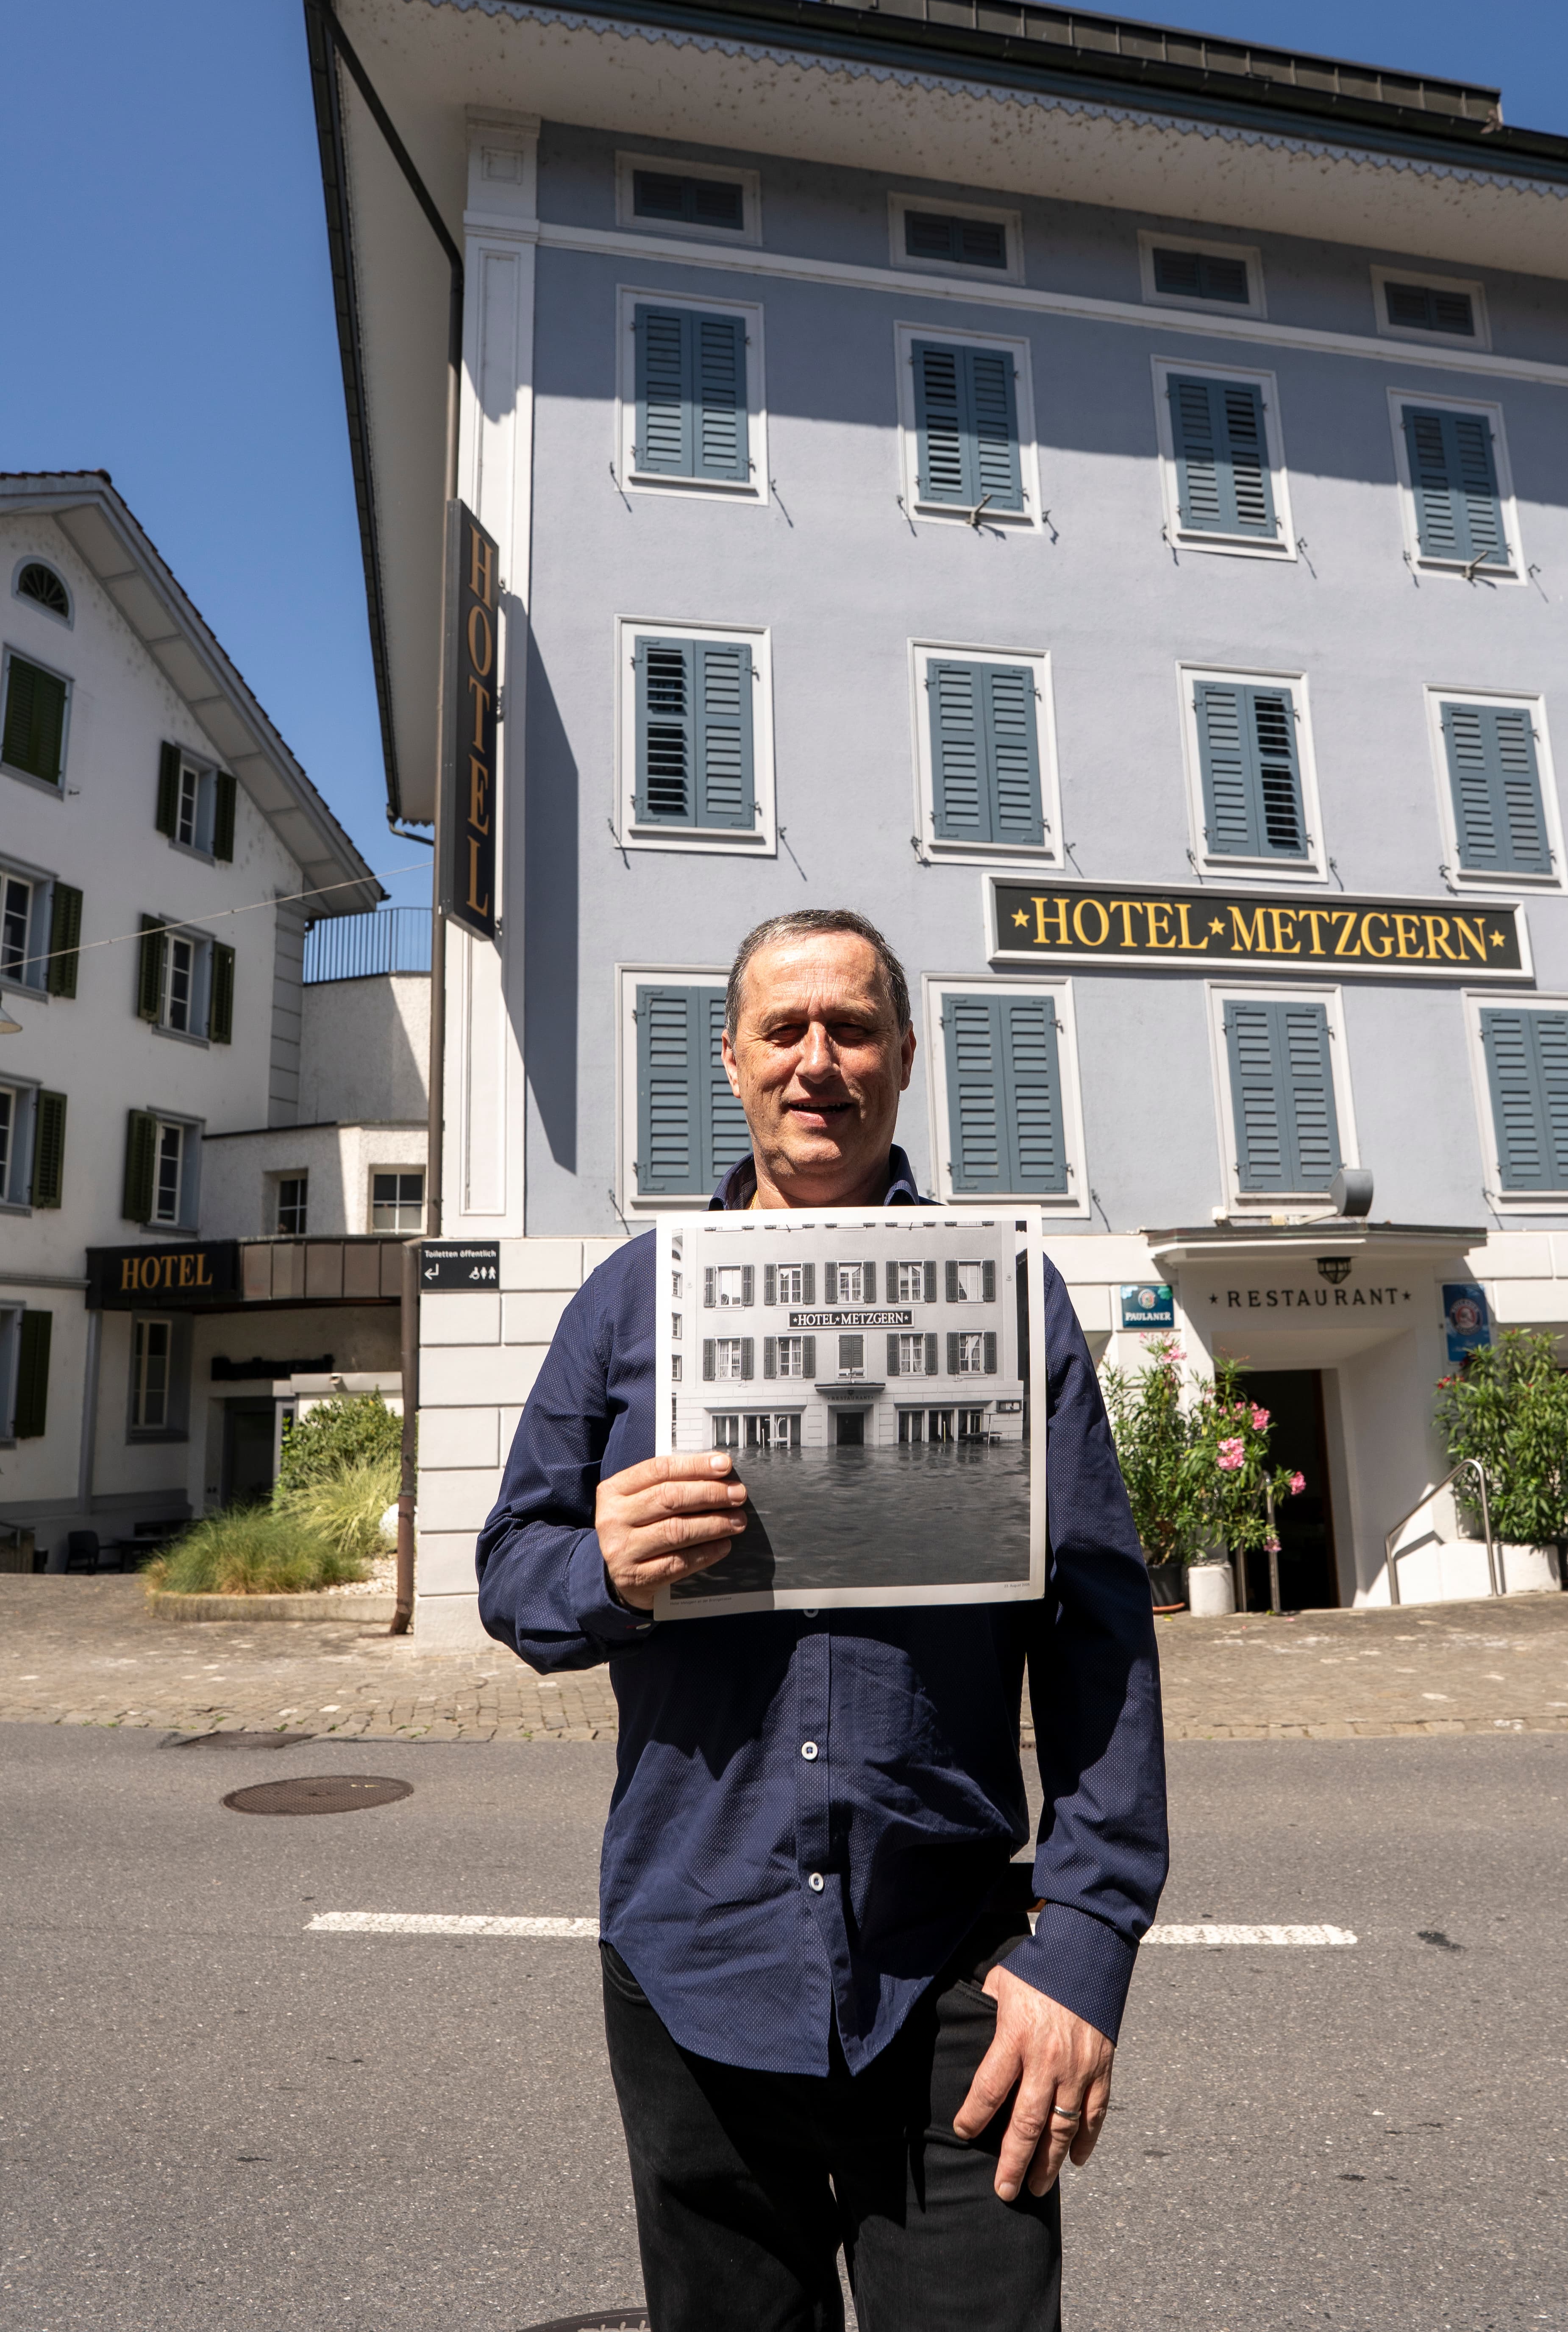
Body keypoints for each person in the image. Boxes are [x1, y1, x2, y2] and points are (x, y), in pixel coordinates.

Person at [478, 909, 1167, 2332]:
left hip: (959, 1980)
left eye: (851, 1028)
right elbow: (513, 1574)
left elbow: (1099, 1645)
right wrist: (599, 1565)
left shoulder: (1005, 1303)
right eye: (783, 1030)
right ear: (730, 1058)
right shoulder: (629, 1306)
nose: (817, 1062)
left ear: (904, 1057)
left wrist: (1085, 1946)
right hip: (693, 1968)